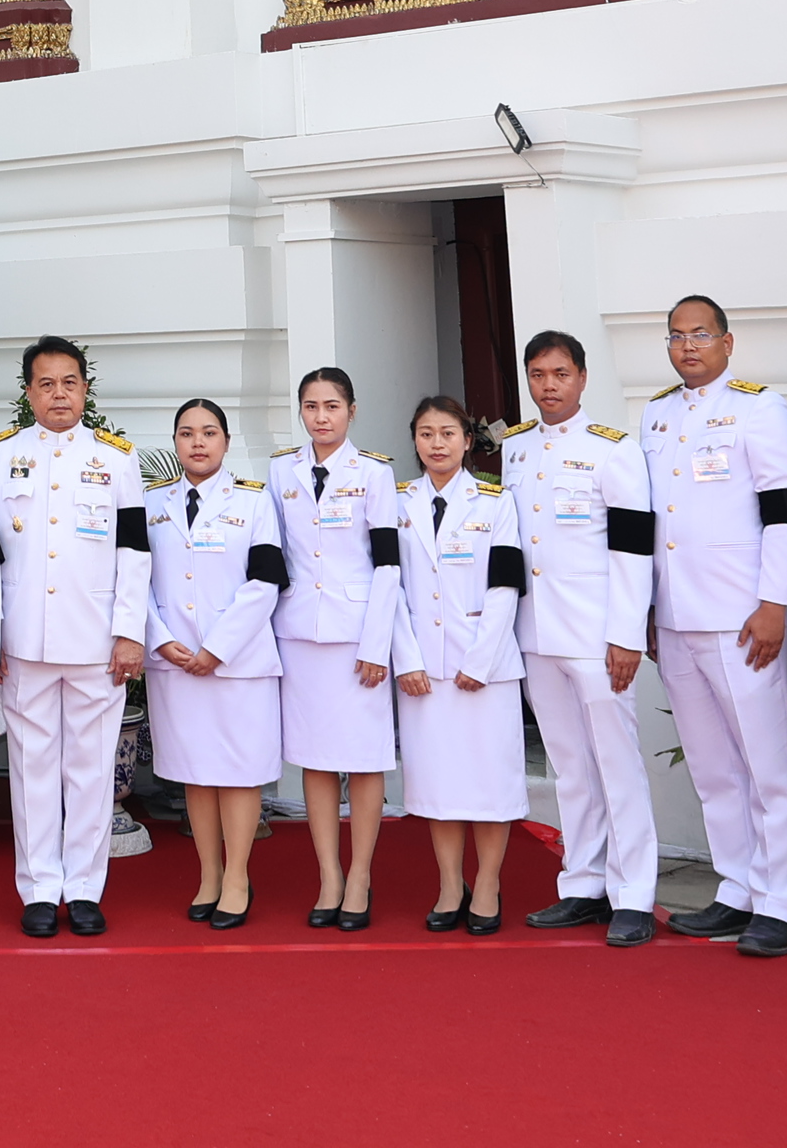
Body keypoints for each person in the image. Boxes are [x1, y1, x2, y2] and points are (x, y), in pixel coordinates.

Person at [640, 293, 787, 957]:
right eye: (677, 336)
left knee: (767, 763)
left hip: (743, 616)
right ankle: (737, 887)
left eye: (701, 335)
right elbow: (651, 524)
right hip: (678, 615)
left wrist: (775, 602)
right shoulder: (656, 415)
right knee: (715, 768)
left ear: (727, 342)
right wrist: (648, 609)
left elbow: (784, 512)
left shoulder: (758, 408)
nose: (688, 347)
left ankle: (783, 900)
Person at [0, 336, 149, 937]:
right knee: (31, 767)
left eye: (70, 382)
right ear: (29, 392)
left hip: (96, 640)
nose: (59, 394)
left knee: (89, 767)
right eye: (47, 383)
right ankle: (38, 887)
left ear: (85, 388)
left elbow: (134, 549)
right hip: (24, 640)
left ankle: (83, 887)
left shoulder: (117, 459)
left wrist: (129, 631)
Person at [500, 332, 659, 946]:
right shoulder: (516, 449)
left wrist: (625, 633)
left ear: (583, 378)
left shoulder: (612, 451)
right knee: (569, 765)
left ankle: (635, 893)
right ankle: (585, 883)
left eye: (560, 373)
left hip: (596, 634)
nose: (548, 385)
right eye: (538, 374)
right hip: (536, 631)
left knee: (616, 763)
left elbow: (631, 547)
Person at [267, 366, 401, 931]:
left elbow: (389, 563)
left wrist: (378, 643)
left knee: (365, 758)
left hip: (357, 634)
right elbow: (272, 556)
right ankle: (329, 875)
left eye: (332, 406)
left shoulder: (374, 473)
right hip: (299, 632)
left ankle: (362, 874)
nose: (321, 417)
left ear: (351, 410)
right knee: (316, 759)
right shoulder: (280, 471)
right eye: (311, 406)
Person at [146, 399, 284, 929]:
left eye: (208, 432)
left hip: (237, 663)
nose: (197, 442)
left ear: (226, 442)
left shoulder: (254, 502)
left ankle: (237, 877)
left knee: (239, 772)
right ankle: (207, 874)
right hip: (175, 663)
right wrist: (160, 640)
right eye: (186, 433)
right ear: (175, 442)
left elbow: (265, 580)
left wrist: (217, 647)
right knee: (195, 773)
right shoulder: (152, 502)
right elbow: (136, 581)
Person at [393, 394, 524, 934]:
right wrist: (406, 657)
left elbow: (506, 584)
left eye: (447, 433)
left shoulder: (496, 502)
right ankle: (451, 884)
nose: (437, 444)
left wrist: (481, 659)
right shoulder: (398, 502)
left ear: (468, 440)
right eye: (426, 434)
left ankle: (488, 883)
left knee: (489, 783)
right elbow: (390, 588)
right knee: (439, 786)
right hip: (423, 668)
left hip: (484, 670)